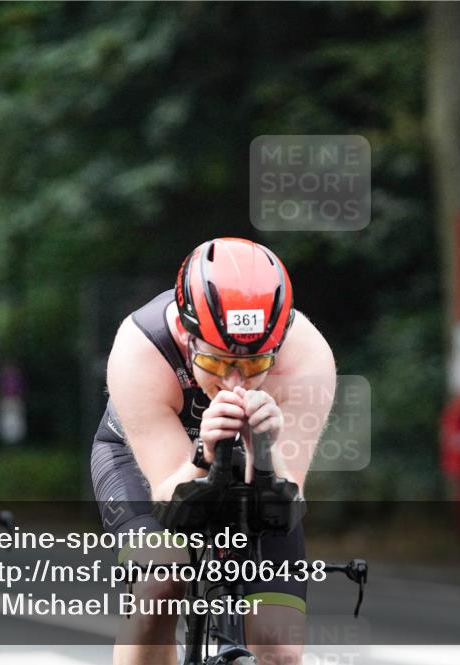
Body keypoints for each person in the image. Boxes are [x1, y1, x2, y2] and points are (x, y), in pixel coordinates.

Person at [91, 237, 337, 665]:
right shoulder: (141, 347)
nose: (235, 383)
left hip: (255, 467)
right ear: (187, 338)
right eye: (219, 362)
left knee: (279, 652)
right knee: (159, 587)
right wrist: (203, 454)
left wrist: (266, 451)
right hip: (153, 466)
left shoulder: (307, 355)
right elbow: (169, 498)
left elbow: (286, 503)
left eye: (256, 364)